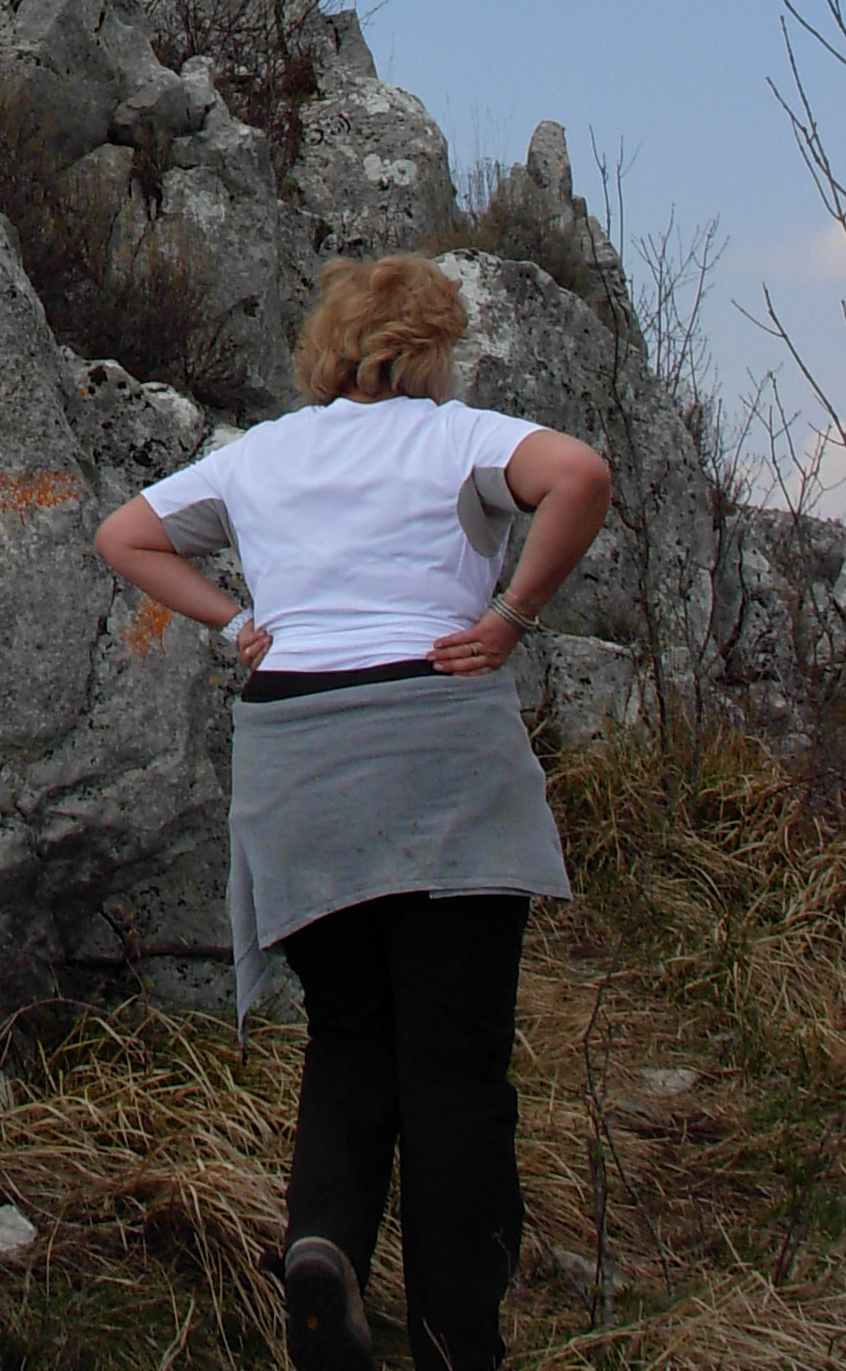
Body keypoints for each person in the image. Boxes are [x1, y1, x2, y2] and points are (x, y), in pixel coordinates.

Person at [93, 253, 612, 1371]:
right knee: (454, 1066)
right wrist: (513, 616)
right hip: (435, 741)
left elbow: (123, 535)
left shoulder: (262, 454)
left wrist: (236, 624)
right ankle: (455, 1342)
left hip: (296, 752)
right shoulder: (457, 437)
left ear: (327, 347)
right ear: (432, 349)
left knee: (349, 1033)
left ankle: (324, 1244)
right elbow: (579, 475)